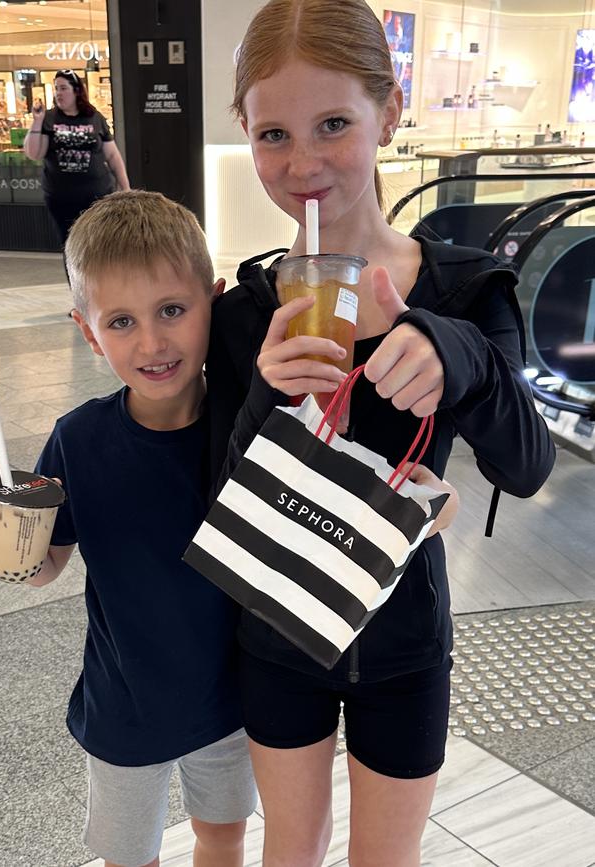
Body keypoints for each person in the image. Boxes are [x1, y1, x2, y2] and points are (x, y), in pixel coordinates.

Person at [206, 1, 556, 865]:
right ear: (243, 132)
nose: (304, 162)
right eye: (273, 134)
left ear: (389, 114)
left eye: (334, 124)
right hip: (277, 630)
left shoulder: (467, 291)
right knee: (293, 847)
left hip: (404, 638)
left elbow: (527, 464)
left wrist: (457, 353)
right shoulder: (246, 311)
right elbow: (219, 494)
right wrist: (263, 391)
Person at [0, 190, 256, 867]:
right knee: (130, 853)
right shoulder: (78, 439)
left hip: (231, 699)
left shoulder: (242, 424)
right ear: (88, 330)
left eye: (173, 311)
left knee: (224, 836)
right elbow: (42, 566)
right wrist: (7, 525)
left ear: (212, 301)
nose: (152, 342)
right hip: (123, 703)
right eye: (120, 321)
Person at [23, 70, 130, 244]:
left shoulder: (94, 118)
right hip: (61, 197)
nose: (59, 93)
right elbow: (34, 154)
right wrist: (37, 121)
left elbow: (112, 155)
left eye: (64, 88)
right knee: (70, 245)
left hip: (97, 195)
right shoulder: (49, 118)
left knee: (99, 243)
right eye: (56, 88)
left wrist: (125, 187)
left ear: (76, 91)